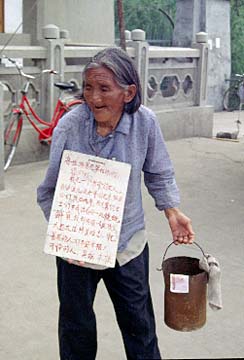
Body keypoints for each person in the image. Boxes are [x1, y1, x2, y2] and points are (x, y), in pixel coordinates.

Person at [37, 47, 195, 360]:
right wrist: (69, 233)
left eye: (104, 89)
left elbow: (158, 172)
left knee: (139, 326)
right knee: (76, 327)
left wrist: (172, 211)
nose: (94, 98)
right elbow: (50, 190)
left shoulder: (145, 123)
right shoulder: (70, 126)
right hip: (77, 250)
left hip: (127, 243)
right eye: (88, 87)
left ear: (128, 92)